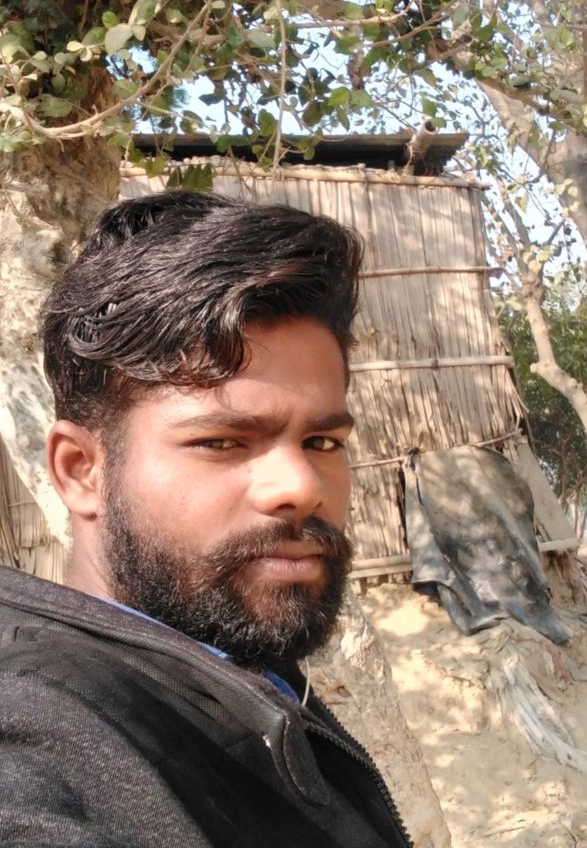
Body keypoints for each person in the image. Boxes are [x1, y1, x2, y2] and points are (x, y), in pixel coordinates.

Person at [0, 191, 412, 848]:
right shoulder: (35, 737)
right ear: (81, 470)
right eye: (221, 441)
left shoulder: (230, 661)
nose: (302, 487)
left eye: (322, 441)